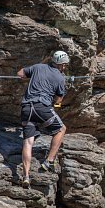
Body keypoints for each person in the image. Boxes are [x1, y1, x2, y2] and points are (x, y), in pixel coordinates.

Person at [17, 51, 70, 188]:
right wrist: (56, 105)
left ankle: (26, 176)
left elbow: (20, 74)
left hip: (26, 108)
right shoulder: (60, 77)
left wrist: (28, 78)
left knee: (28, 142)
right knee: (61, 129)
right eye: (64, 65)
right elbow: (59, 99)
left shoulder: (38, 67)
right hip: (42, 107)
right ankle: (49, 161)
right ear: (62, 65)